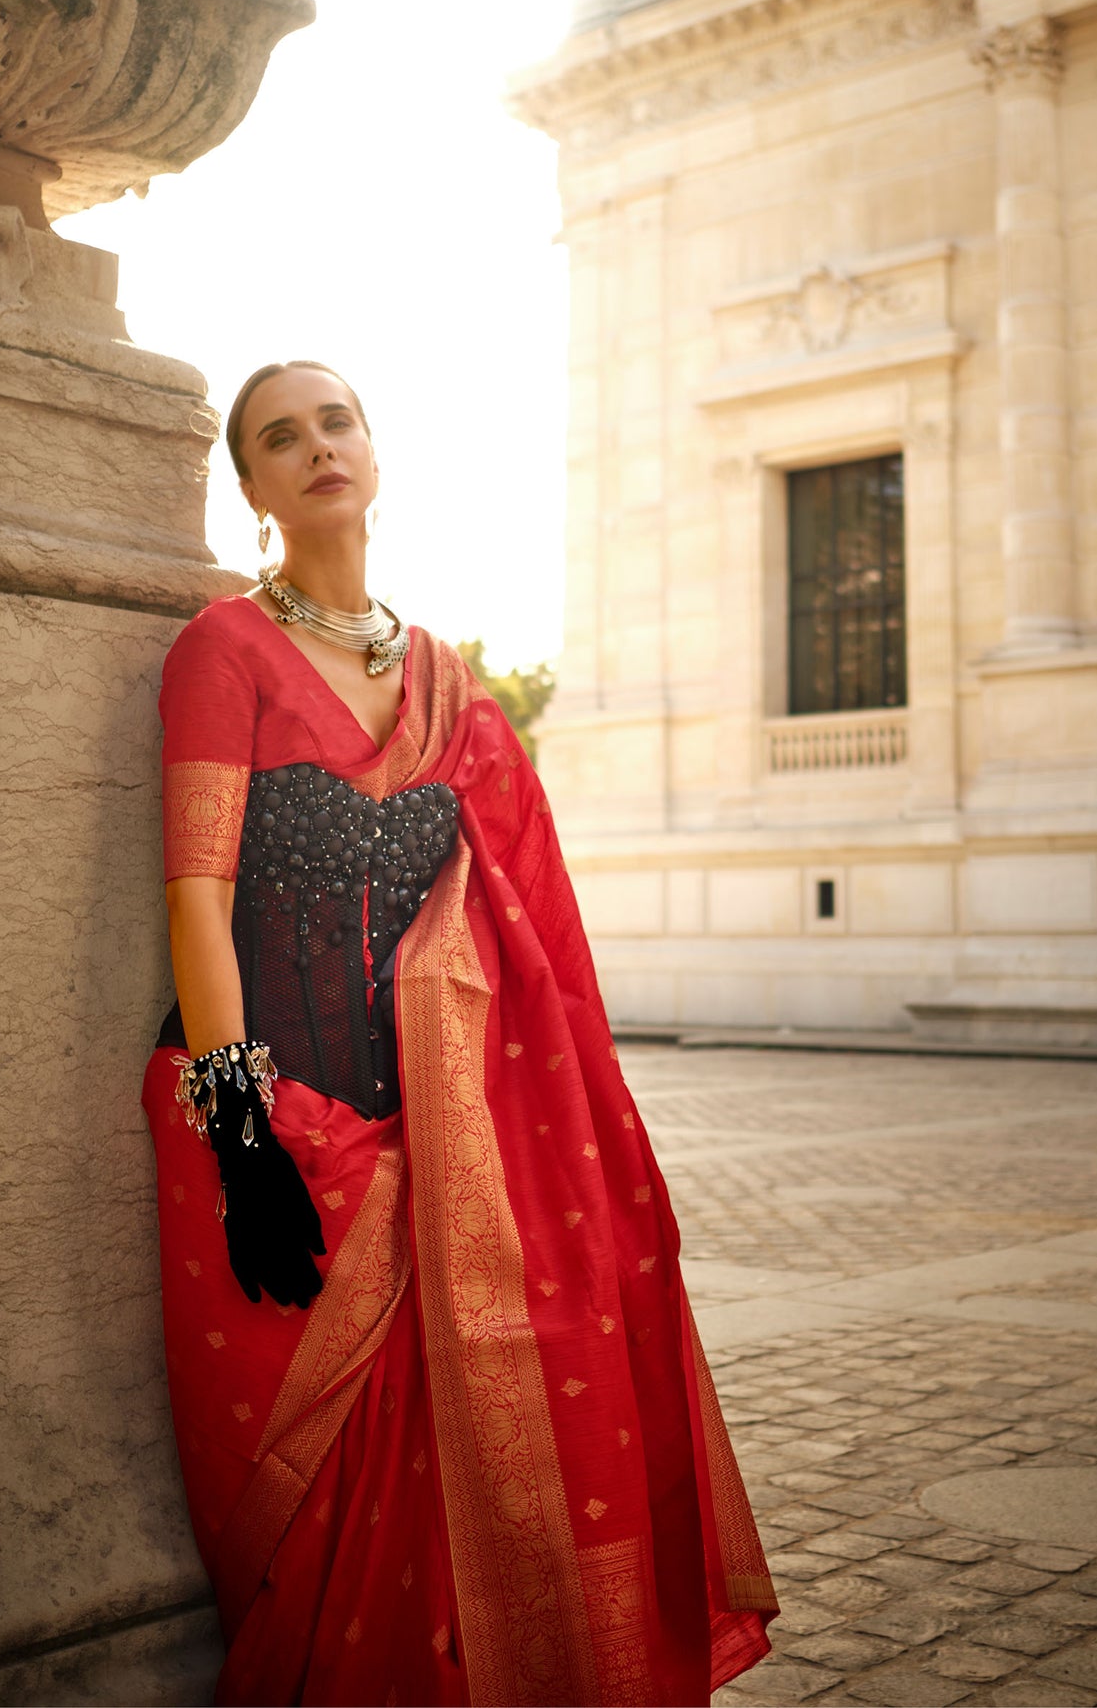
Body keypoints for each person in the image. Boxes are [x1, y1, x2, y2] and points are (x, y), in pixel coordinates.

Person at [142, 360, 777, 1708]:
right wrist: (241, 1126)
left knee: (481, 1471)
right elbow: (195, 896)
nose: (316, 446)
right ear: (249, 488)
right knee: (316, 1499)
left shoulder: (449, 683)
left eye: (337, 420)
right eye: (279, 437)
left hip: (453, 1144)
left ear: (373, 450)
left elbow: (523, 929)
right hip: (282, 1128)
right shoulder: (224, 652)